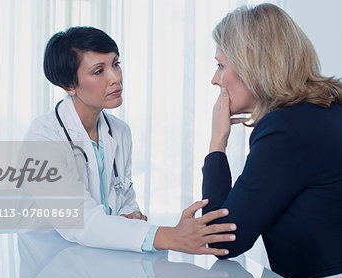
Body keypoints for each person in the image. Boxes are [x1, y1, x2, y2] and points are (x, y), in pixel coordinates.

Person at [24, 26, 236, 254]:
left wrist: (131, 220)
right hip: (54, 268)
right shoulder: (42, 140)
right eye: (98, 71)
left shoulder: (119, 132)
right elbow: (80, 220)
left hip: (105, 263)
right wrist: (168, 236)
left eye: (116, 64)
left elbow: (125, 204)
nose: (115, 78)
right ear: (69, 85)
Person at [202, 3, 342, 278]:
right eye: (99, 70)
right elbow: (86, 220)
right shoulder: (329, 110)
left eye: (221, 66)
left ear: (252, 65)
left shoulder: (285, 128)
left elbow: (222, 238)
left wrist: (217, 142)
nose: (215, 79)